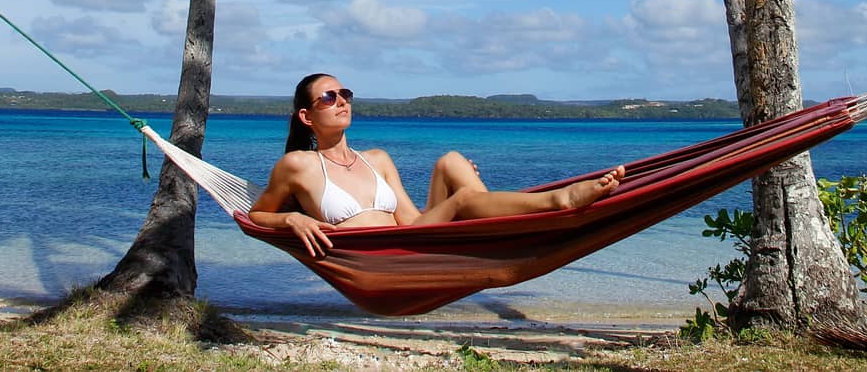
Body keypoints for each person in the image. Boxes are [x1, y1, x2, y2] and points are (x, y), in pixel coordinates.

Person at [247, 72, 625, 258]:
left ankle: (493, 233)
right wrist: (291, 219)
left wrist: (456, 195)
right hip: (374, 259)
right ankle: (557, 203)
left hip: (408, 240)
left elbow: (410, 221)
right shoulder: (298, 165)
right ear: (306, 116)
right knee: (461, 202)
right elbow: (255, 217)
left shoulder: (377, 159)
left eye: (345, 94)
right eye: (329, 97)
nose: (342, 101)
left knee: (452, 161)